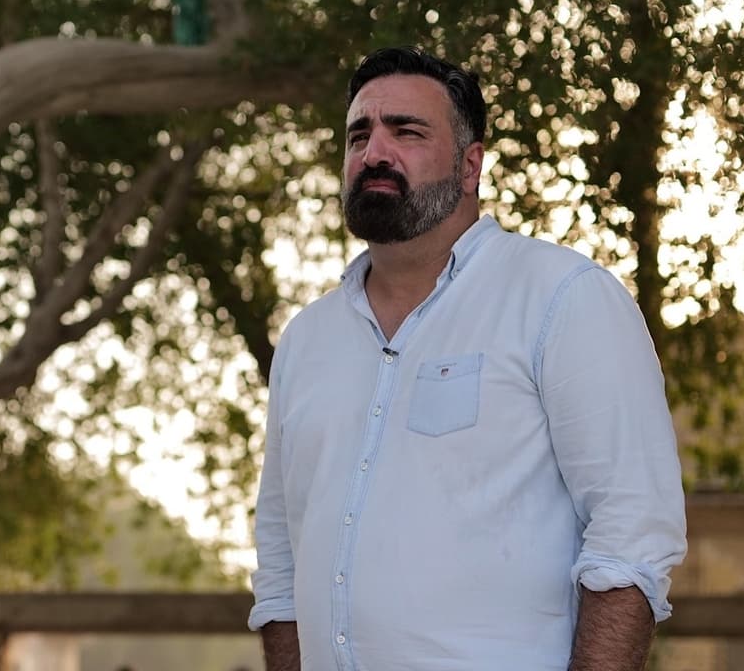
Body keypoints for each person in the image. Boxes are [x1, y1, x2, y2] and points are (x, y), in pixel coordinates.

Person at [247, 47, 687, 671]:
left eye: (407, 132)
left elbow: (632, 532)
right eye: (359, 136)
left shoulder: (562, 298)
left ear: (470, 165)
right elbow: (280, 562)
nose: (374, 153)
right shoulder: (305, 341)